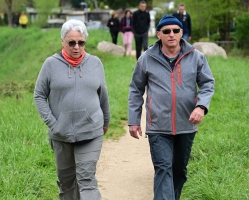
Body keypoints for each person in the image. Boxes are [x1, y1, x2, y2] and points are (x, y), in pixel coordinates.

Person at [128, 14, 215, 200]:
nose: (171, 34)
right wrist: (133, 120)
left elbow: (208, 84)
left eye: (176, 30)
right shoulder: (146, 58)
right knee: (163, 168)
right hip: (158, 125)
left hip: (186, 124)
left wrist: (201, 106)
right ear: (159, 34)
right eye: (166, 31)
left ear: (181, 33)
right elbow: (136, 90)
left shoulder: (196, 57)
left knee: (179, 170)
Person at [34, 19, 110, 200]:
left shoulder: (95, 63)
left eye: (81, 42)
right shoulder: (50, 65)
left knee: (86, 180)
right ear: (62, 41)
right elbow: (39, 96)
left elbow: (103, 95)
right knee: (66, 183)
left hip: (90, 132)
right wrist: (53, 124)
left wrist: (106, 121)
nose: (77, 47)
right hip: (61, 134)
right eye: (72, 42)